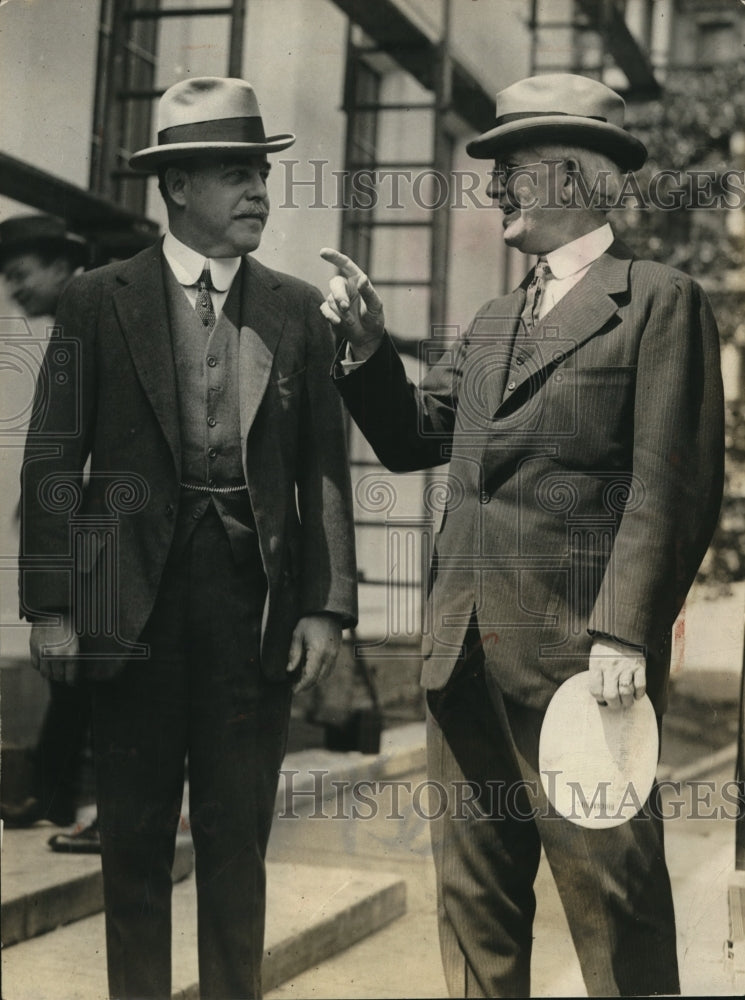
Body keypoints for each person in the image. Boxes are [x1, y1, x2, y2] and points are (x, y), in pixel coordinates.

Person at [322, 72, 724, 997]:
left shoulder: (658, 301)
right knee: (473, 920)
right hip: (459, 660)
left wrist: (625, 628)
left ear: (577, 179)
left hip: (585, 672)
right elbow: (410, 437)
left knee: (615, 918)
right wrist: (368, 348)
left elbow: (672, 483)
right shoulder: (494, 321)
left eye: (512, 168)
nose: (494, 187)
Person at [19, 77, 357, 1000]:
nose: (259, 191)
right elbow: (54, 458)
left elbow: (322, 468)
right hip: (127, 610)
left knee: (236, 840)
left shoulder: (292, 309)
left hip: (252, 619)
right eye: (235, 174)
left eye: (261, 173)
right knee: (131, 842)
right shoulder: (99, 299)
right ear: (176, 188)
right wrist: (51, 605)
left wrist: (326, 608)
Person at [0, 214, 102, 853]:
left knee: (107, 664)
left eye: (19, 275)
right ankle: (55, 791)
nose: (14, 292)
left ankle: (112, 809)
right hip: (95, 517)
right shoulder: (80, 313)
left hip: (118, 523)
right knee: (75, 663)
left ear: (62, 266)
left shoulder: (101, 308)